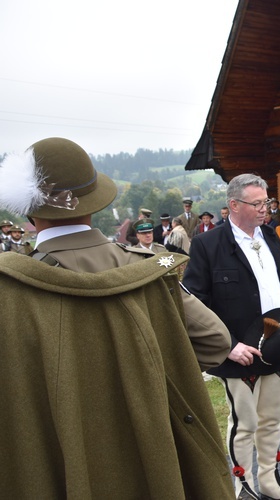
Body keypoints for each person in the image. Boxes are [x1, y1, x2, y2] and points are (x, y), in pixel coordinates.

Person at [0, 137, 233, 498]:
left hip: (58, 465)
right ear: (95, 204)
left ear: (29, 213)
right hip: (154, 458)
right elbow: (216, 342)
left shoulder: (8, 290)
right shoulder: (151, 272)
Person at [182, 173, 280, 500]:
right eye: (257, 204)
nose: (264, 210)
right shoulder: (207, 245)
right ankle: (243, 488)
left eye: (266, 203)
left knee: (272, 420)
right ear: (233, 205)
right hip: (240, 355)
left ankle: (269, 481)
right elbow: (191, 304)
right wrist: (225, 346)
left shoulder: (269, 237)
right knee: (245, 425)